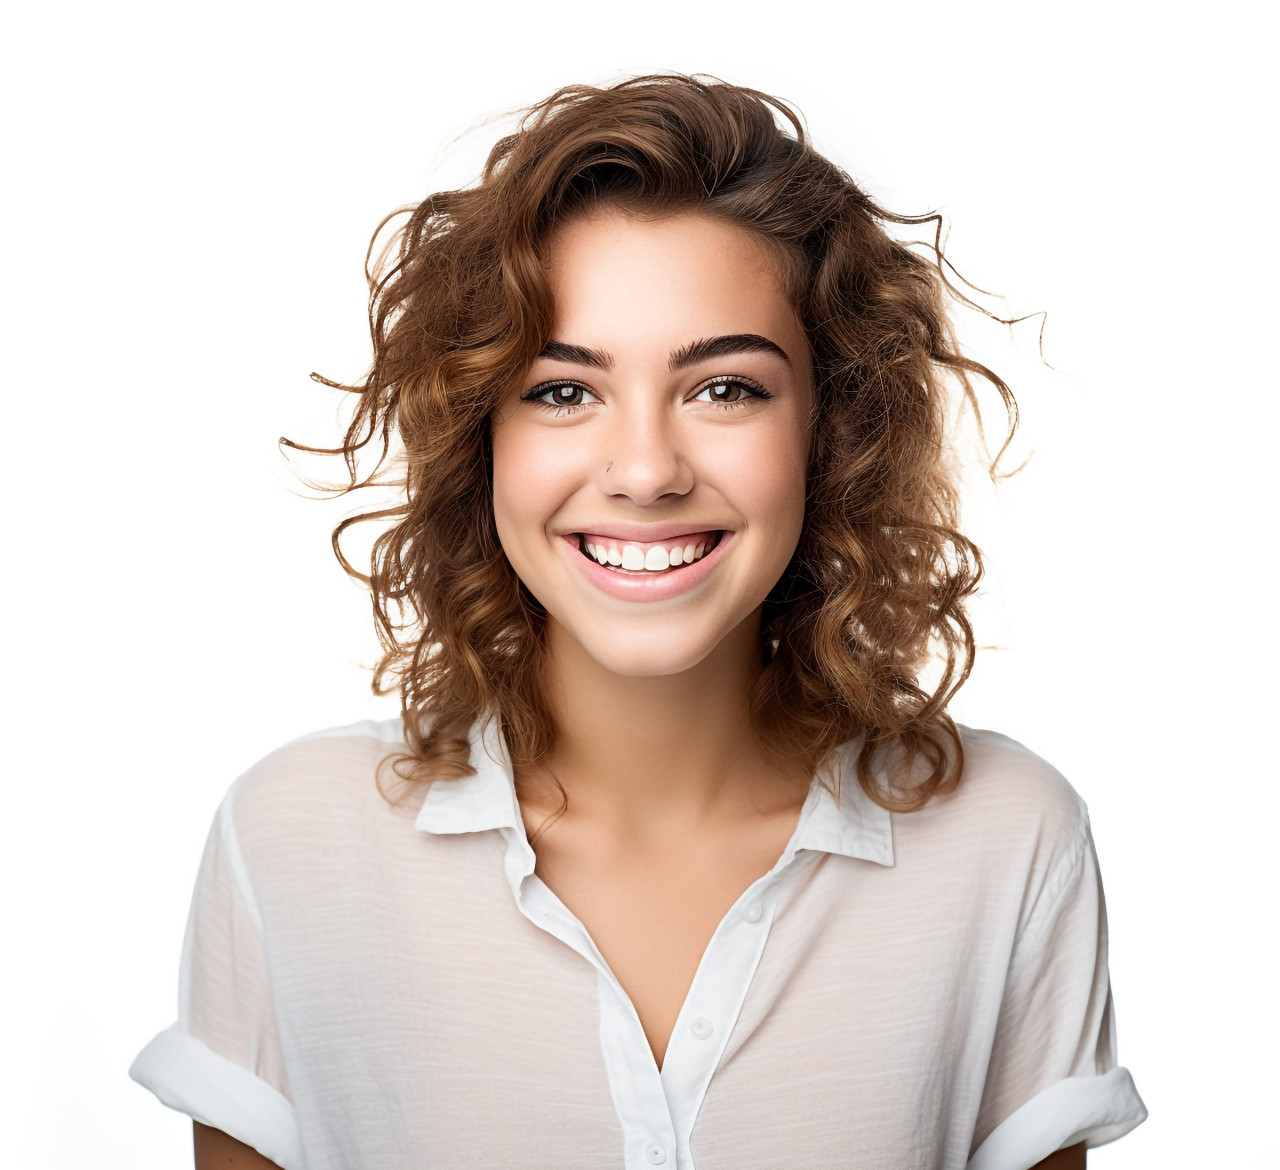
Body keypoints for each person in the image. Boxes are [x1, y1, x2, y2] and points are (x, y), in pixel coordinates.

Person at [129, 74, 1148, 1169]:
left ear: (829, 430)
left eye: (725, 389)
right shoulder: (294, 842)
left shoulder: (1005, 842)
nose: (646, 471)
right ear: (480, 437)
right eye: (563, 391)